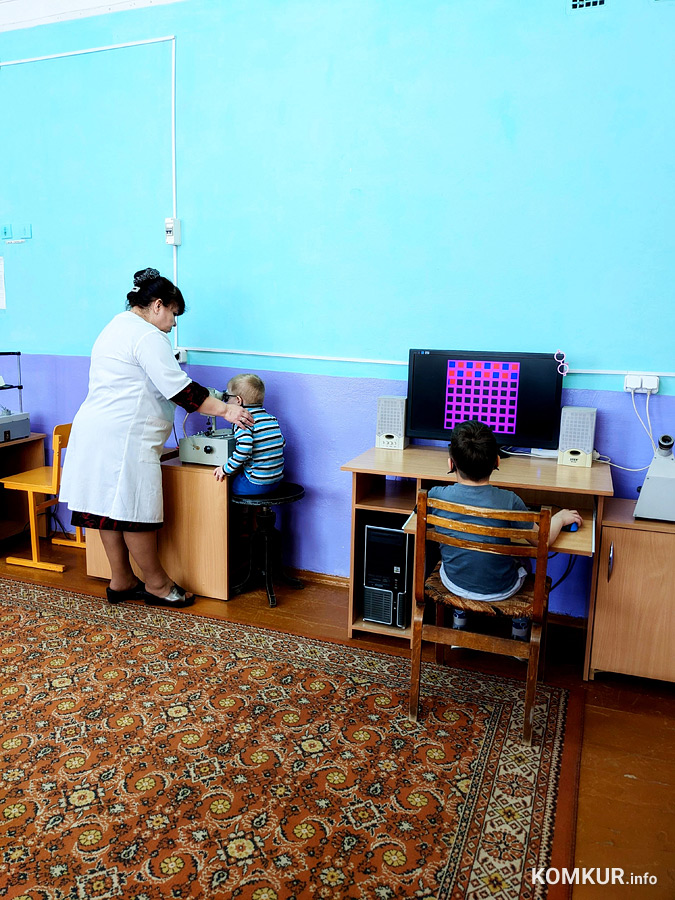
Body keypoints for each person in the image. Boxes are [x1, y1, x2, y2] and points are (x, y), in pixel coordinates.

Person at [59, 267, 254, 608]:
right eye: (174, 314)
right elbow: (179, 390)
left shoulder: (117, 325)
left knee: (107, 510)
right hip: (124, 437)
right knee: (136, 512)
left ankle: (121, 581)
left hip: (95, 430)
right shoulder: (149, 337)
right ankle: (158, 585)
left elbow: (161, 382)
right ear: (158, 305)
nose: (174, 324)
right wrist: (227, 410)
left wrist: (220, 396)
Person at [429, 420, 582, 606]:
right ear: (497, 461)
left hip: (454, 584)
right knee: (523, 561)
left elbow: (419, 518)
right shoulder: (510, 501)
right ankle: (519, 621)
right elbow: (544, 540)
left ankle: (459, 614)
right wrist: (560, 518)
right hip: (501, 590)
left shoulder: (435, 496)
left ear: (451, 464)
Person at [212, 373, 285, 495]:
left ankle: (239, 510)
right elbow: (281, 443)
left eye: (227, 397)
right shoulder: (271, 418)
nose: (226, 401)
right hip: (276, 481)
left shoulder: (243, 421)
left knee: (226, 486)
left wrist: (225, 469)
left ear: (238, 400)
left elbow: (244, 448)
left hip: (255, 484)